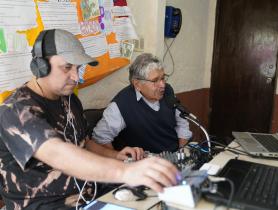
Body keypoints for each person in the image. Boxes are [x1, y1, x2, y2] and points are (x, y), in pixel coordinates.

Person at [0, 29, 179, 210]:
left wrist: (117, 156)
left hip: (88, 192)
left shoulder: (69, 99)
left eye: (78, 68)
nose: (76, 77)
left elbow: (84, 142)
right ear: (40, 65)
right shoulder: (14, 110)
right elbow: (57, 154)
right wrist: (125, 171)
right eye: (67, 67)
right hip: (46, 204)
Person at [88, 53, 192, 160]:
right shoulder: (121, 104)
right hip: (147, 164)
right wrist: (118, 162)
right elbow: (100, 138)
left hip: (176, 156)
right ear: (137, 84)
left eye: (163, 78)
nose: (162, 85)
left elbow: (182, 123)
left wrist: (181, 153)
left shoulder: (168, 91)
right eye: (155, 80)